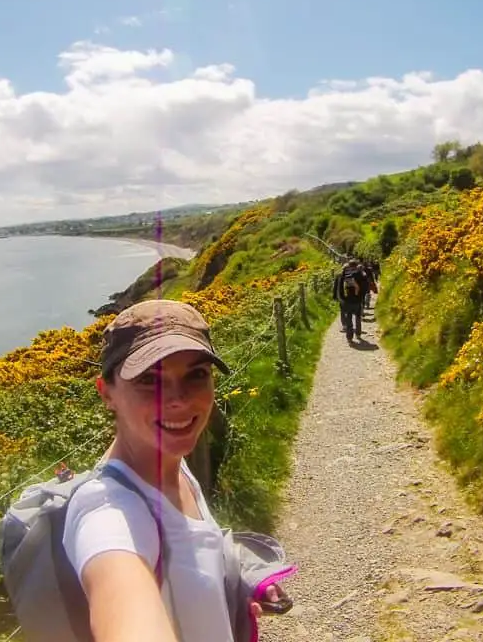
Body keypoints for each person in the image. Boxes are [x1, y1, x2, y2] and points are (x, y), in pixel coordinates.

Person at [63, 300, 288, 642]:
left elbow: (193, 553)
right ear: (106, 393)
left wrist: (228, 592)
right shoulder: (106, 513)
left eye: (196, 374)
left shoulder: (174, 466)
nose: (179, 400)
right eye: (149, 380)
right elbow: (122, 601)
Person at [333, 258, 369, 342]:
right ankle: (358, 334)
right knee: (358, 317)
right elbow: (366, 287)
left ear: (349, 265)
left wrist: (341, 298)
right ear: (357, 265)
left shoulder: (344, 274)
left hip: (347, 300)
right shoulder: (361, 274)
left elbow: (340, 287)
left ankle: (349, 337)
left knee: (349, 318)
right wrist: (361, 296)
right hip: (358, 300)